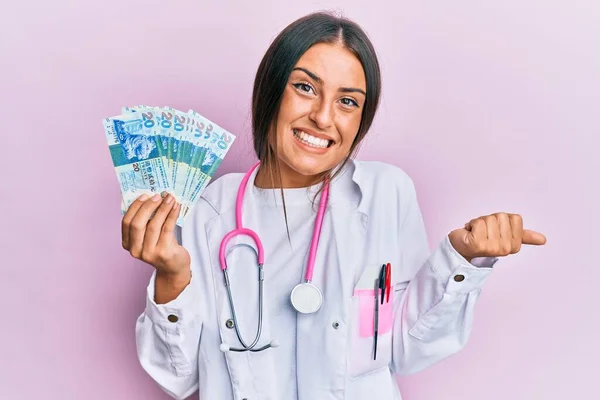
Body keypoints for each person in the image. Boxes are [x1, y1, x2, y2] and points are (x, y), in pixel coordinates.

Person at [123, 11, 547, 400]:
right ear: (271, 91)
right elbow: (176, 378)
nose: (323, 118)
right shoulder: (209, 209)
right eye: (305, 87)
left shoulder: (385, 193)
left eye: (347, 101)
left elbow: (407, 350)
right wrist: (172, 276)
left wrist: (462, 260)